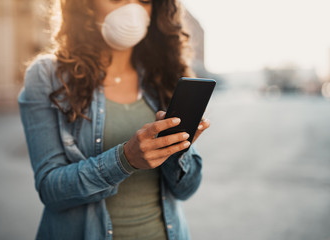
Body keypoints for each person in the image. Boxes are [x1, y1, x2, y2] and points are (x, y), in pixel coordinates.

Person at [18, 0, 210, 239]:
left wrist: (180, 149)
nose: (133, 10)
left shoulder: (165, 76)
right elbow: (50, 190)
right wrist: (125, 159)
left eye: (144, 1)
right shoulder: (47, 76)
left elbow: (185, 191)